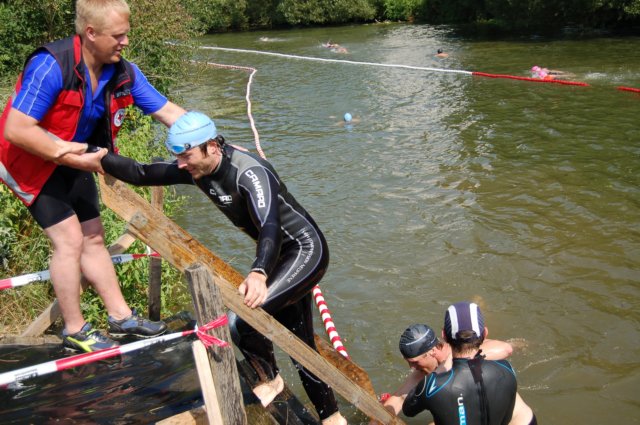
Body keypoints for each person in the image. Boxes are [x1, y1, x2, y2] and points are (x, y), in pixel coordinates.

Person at [97, 111, 347, 425]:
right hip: (280, 257)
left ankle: (270, 380)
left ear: (212, 147)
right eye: (178, 157)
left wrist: (259, 272)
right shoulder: (196, 168)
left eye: (186, 156)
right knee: (300, 345)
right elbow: (142, 172)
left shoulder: (249, 173)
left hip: (304, 251)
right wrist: (100, 157)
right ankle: (332, 418)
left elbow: (269, 226)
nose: (181, 165)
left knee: (241, 322)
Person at [0, 0, 187, 352]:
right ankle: (74, 330)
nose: (125, 42)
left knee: (93, 236)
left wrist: (212, 141)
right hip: (24, 159)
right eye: (118, 35)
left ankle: (121, 317)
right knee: (70, 240)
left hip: (72, 157)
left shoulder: (122, 71)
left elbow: (167, 111)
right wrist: (70, 155)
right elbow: (16, 129)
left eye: (126, 34)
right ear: (90, 33)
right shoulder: (51, 65)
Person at [402, 302, 537, 425]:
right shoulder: (506, 368)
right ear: (485, 333)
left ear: (444, 336)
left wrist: (440, 370)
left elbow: (408, 410)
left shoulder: (432, 385)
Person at [379, 322, 514, 418]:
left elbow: (506, 348)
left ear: (432, 351)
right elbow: (399, 398)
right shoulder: (422, 372)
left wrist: (452, 363)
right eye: (408, 362)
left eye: (415, 362)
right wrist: (377, 420)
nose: (411, 367)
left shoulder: (457, 350)